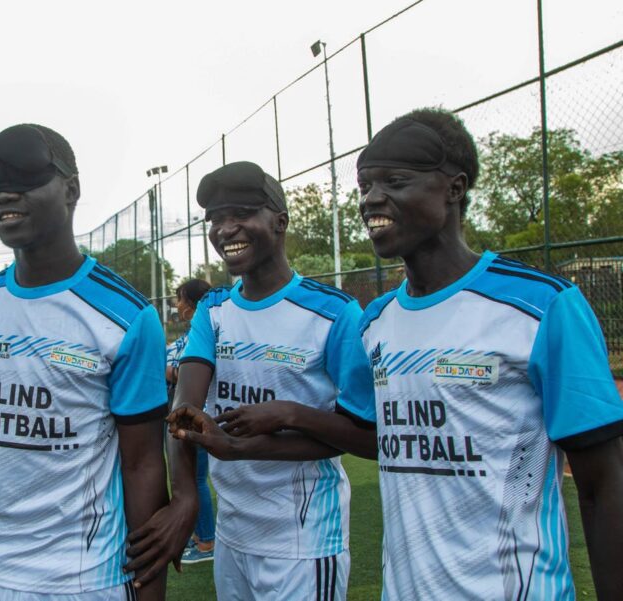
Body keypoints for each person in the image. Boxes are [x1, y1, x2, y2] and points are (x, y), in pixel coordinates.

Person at [0, 123, 171, 601]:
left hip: (85, 578)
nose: (3, 195)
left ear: (71, 189)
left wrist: (149, 590)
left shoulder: (127, 317)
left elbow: (142, 463)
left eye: (22, 182)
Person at [353, 108, 623, 599]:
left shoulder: (543, 307)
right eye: (364, 185)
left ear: (454, 189)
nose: (371, 199)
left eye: (394, 181)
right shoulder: (376, 322)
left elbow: (604, 484)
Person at [149, 161, 376, 600]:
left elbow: (367, 438)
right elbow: (185, 409)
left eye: (240, 214)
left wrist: (287, 416)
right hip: (234, 537)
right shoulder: (213, 311)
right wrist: (184, 499)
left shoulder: (334, 312)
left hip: (303, 540)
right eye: (215, 219)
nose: (225, 229)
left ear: (280, 221)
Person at [165, 279, 215, 565]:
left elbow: (184, 370)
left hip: (198, 415)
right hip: (185, 413)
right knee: (189, 480)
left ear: (193, 303)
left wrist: (168, 370)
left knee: (195, 480)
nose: (177, 305)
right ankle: (199, 537)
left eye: (180, 299)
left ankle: (207, 541)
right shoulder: (194, 332)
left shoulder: (207, 330)